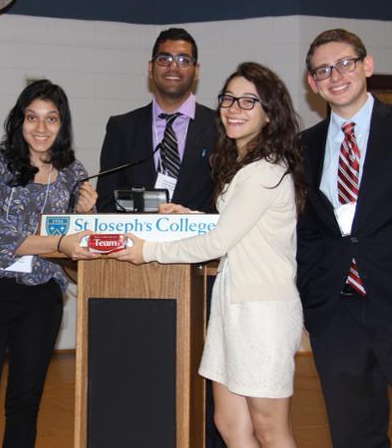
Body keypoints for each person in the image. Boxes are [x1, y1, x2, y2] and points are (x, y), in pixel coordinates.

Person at [111, 62, 305, 448]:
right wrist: (195, 216)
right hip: (232, 306)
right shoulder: (243, 166)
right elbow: (236, 227)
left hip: (263, 312)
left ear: (269, 113)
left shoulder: (265, 170)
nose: (234, 108)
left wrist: (148, 251)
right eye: (229, 99)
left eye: (249, 101)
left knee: (269, 428)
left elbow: (219, 243)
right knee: (230, 423)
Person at [297, 28, 392, 448]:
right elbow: (308, 233)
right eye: (323, 70)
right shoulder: (304, 146)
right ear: (312, 83)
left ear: (367, 65)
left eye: (345, 63)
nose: (335, 75)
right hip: (338, 317)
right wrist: (313, 299)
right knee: (354, 438)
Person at [0, 79, 99, 448]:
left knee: (25, 404)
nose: (41, 128)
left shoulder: (73, 172)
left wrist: (88, 212)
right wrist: (59, 242)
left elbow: (78, 242)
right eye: (32, 118)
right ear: (19, 120)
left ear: (62, 124)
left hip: (41, 299)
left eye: (51, 119)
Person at [96, 27, 217, 213]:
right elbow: (107, 203)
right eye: (164, 59)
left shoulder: (220, 127)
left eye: (184, 60)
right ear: (151, 68)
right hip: (138, 240)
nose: (173, 67)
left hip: (200, 240)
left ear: (197, 70)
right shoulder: (121, 129)